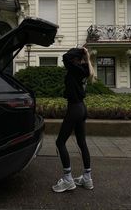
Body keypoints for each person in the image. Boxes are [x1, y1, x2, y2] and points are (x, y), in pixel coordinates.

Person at [52, 46, 95, 193]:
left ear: (75, 59)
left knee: (60, 142)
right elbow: (88, 69)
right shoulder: (84, 68)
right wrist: (86, 56)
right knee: (82, 142)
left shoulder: (75, 68)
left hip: (74, 108)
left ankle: (68, 179)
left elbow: (65, 57)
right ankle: (87, 178)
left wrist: (80, 51)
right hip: (82, 108)